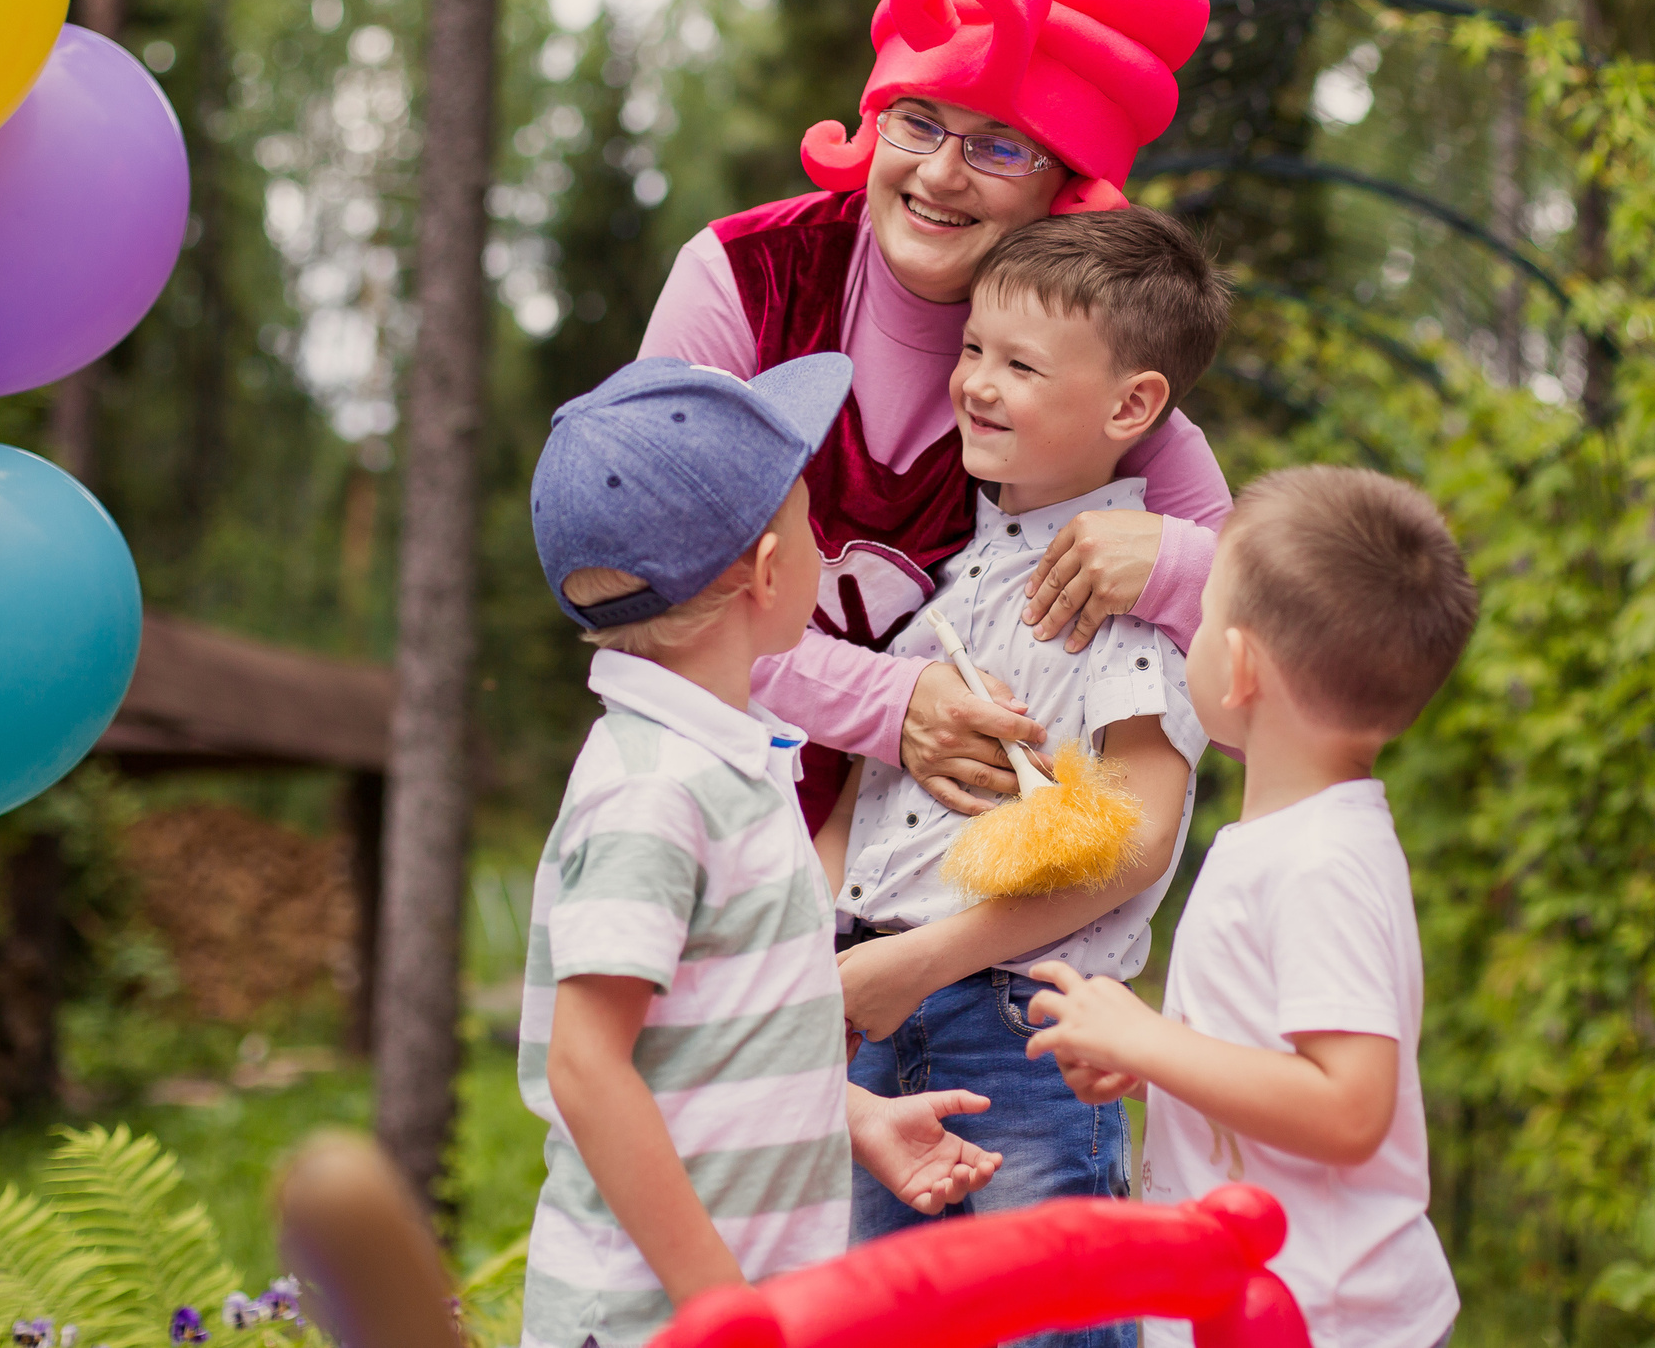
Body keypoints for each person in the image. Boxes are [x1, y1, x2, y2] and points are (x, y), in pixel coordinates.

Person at [640, 0, 1232, 836]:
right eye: (918, 120)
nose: (941, 172)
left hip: (934, 948)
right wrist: (888, 702)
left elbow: (1267, 670)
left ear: (1069, 180)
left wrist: (1179, 565)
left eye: (1001, 145)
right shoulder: (740, 278)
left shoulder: (1089, 366)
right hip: (689, 850)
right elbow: (644, 578)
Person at [517, 354, 1007, 1348]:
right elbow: (585, 1066)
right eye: (807, 521)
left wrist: (845, 1118)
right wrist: (722, 1305)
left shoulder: (727, 756)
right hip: (653, 1321)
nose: (823, 546)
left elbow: (696, 1042)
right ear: (771, 573)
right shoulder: (653, 790)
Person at [814, 210, 1231, 1348]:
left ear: (1132, 407)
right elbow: (867, 789)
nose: (976, 385)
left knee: (1036, 1326)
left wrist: (920, 962)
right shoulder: (949, 572)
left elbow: (1138, 834)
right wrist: (823, 943)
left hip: (1021, 1033)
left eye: (1020, 364)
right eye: (970, 352)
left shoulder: (1123, 589)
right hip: (876, 1010)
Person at [1020, 467, 1481, 1348]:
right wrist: (1153, 1060)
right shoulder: (1298, 842)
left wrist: (1152, 1042)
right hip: (1256, 1306)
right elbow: (1268, 1055)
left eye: (1203, 616)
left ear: (1237, 668)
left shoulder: (1321, 864)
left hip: (1320, 1317)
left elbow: (1349, 1108)